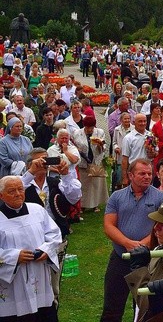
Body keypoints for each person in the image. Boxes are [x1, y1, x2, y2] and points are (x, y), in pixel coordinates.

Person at [101, 159, 163, 322]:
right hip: (119, 258)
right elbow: (109, 225)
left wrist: (142, 245)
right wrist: (127, 243)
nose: (147, 177)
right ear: (130, 175)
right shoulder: (117, 197)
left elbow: (162, 227)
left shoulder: (160, 197)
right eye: (142, 173)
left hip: (148, 260)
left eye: (149, 173)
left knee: (144, 306)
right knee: (112, 308)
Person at [22, 147, 82, 308]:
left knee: (53, 287)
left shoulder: (55, 183)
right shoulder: (23, 184)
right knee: (29, 286)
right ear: (30, 163)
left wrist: (66, 174)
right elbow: (9, 193)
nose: (45, 163)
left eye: (47, 159)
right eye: (40, 160)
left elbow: (75, 195)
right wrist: (30, 173)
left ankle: (51, 313)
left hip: (55, 240)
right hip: (29, 241)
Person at [0, 175, 61, 321]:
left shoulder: (37, 210)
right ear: (1, 195)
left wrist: (46, 250)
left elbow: (54, 233)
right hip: (13, 283)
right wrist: (14, 257)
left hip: (39, 275)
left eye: (20, 189)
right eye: (12, 191)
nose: (18, 194)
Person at [72, 115, 108, 212]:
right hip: (83, 162)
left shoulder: (100, 132)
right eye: (88, 128)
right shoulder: (77, 133)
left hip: (96, 160)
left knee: (96, 184)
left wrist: (100, 145)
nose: (90, 130)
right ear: (84, 126)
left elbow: (104, 147)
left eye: (92, 127)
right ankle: (82, 205)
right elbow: (73, 145)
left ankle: (95, 205)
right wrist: (77, 150)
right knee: (84, 184)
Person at [121, 114, 157, 187]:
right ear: (134, 122)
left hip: (148, 170)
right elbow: (125, 159)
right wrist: (125, 178)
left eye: (144, 121)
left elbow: (156, 153)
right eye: (140, 121)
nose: (143, 123)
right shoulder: (128, 138)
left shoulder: (151, 135)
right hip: (135, 171)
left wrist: (152, 153)